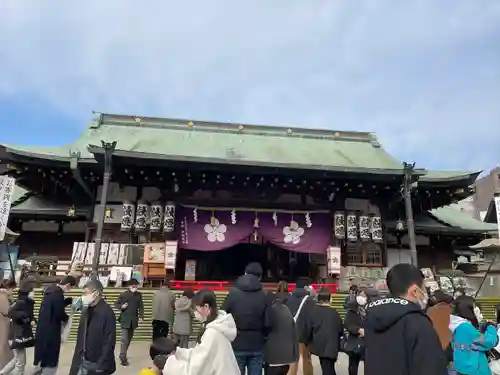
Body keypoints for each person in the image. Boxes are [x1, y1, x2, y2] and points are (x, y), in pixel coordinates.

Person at [364, 263, 447, 375]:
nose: (426, 293)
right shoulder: (419, 322)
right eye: (423, 288)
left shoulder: (373, 317)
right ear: (414, 291)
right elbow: (432, 366)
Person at [163, 289, 240, 375]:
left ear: (206, 307)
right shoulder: (216, 327)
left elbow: (195, 369)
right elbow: (198, 353)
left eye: (196, 309)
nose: (195, 313)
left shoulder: (212, 333)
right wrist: (177, 351)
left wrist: (168, 363)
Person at [221, 262, 269, 375]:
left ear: (245, 273)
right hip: (257, 343)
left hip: (237, 341)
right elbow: (269, 321)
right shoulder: (264, 295)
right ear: (260, 277)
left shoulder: (233, 293)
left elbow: (222, 314)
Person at [69, 278, 116, 375]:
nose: (83, 296)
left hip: (96, 363)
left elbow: (109, 342)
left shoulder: (107, 313)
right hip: (81, 359)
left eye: (86, 293)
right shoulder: (86, 309)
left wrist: (101, 365)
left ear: (96, 293)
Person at [33, 275, 76, 375]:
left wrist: (67, 301)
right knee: (50, 361)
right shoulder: (57, 294)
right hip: (51, 331)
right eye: (72, 287)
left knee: (41, 355)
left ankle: (39, 369)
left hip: (42, 329)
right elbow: (58, 312)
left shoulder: (50, 291)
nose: (71, 289)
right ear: (68, 285)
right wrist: (68, 318)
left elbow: (53, 306)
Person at [450, 295, 498, 375]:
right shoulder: (465, 327)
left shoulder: (455, 324)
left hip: (462, 368)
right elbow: (488, 341)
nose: (477, 310)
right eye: (474, 306)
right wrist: (491, 327)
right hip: (474, 370)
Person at [0, 280, 35, 375]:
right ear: (28, 291)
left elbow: (29, 315)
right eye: (33, 291)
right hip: (16, 335)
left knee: (17, 359)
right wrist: (26, 319)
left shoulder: (28, 303)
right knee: (21, 361)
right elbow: (10, 313)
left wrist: (31, 320)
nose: (34, 293)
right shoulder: (20, 302)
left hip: (19, 335)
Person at [308, 288, 343, 375]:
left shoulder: (314, 311)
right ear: (330, 299)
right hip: (332, 346)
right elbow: (340, 329)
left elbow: (310, 328)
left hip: (320, 345)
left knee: (327, 368)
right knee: (328, 368)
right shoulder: (335, 313)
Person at [263, 290, 299, 375]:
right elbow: (294, 333)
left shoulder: (270, 311)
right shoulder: (286, 309)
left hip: (273, 358)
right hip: (287, 358)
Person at [286, 278, 315, 375]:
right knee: (306, 358)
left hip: (291, 332)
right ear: (306, 287)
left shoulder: (289, 297)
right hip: (305, 333)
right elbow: (312, 317)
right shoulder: (309, 300)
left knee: (293, 360)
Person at [115, 278, 144, 366]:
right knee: (124, 339)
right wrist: (122, 306)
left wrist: (141, 316)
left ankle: (124, 353)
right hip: (125, 319)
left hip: (133, 320)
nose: (135, 287)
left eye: (136, 286)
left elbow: (141, 306)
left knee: (129, 339)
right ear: (129, 286)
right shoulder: (124, 294)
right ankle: (123, 357)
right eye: (133, 286)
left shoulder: (139, 295)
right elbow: (116, 303)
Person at [344, 289, 373, 375]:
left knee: (369, 366)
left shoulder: (372, 309)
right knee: (353, 366)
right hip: (354, 342)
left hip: (368, 343)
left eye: (364, 296)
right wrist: (358, 330)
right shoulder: (351, 310)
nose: (361, 298)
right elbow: (347, 324)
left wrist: (367, 332)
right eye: (360, 295)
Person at [0, 279, 16, 371]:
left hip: (3, 323)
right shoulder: (2, 296)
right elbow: (7, 311)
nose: (13, 291)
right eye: (12, 289)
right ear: (8, 287)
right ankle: (2, 368)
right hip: (3, 324)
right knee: (3, 346)